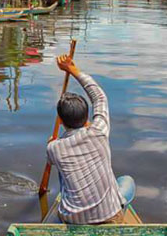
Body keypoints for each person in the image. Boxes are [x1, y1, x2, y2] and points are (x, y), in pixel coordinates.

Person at [47, 55, 136, 225]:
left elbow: (51, 157)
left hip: (72, 219)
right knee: (127, 182)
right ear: (86, 117)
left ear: (61, 121)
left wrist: (52, 143)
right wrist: (72, 69)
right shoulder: (99, 131)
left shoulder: (53, 148)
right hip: (109, 216)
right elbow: (100, 97)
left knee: (63, 176)